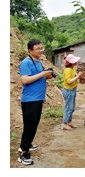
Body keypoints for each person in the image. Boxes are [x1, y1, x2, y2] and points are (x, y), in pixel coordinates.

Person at [18, 38, 57, 166]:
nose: (41, 50)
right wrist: (42, 74)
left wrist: (49, 74)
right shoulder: (26, 62)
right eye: (38, 48)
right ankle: (23, 152)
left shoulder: (38, 62)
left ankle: (28, 143)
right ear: (30, 50)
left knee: (33, 124)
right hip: (30, 100)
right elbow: (25, 80)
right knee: (30, 126)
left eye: (42, 48)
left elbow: (42, 76)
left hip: (38, 98)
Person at [60, 54, 80, 130]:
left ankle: (69, 121)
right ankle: (64, 123)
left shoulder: (72, 69)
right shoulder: (68, 70)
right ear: (72, 62)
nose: (76, 62)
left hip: (72, 90)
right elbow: (69, 81)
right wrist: (77, 77)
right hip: (68, 91)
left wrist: (77, 76)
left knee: (72, 107)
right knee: (69, 107)